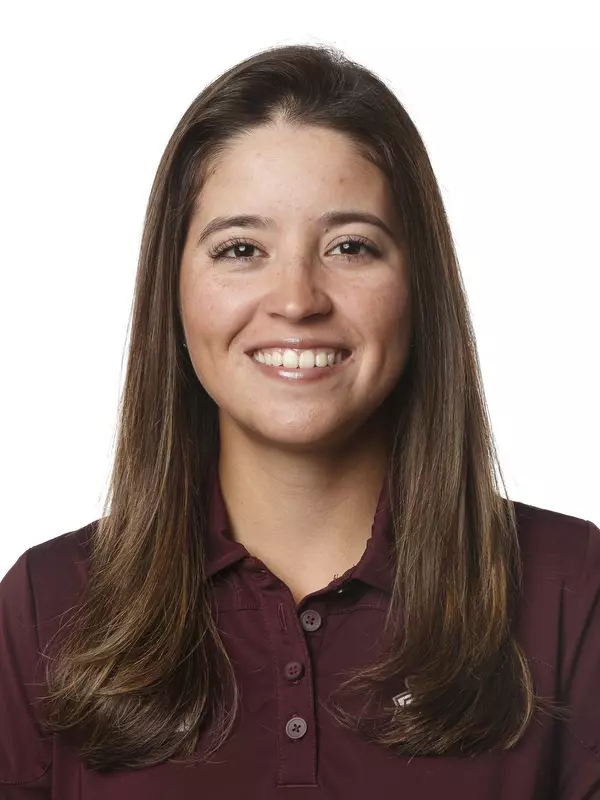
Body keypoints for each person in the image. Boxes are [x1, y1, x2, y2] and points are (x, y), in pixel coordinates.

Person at [0, 42, 598, 799]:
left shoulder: (570, 589)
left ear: (419, 285)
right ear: (173, 290)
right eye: (240, 248)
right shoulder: (47, 605)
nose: (297, 299)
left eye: (350, 246)